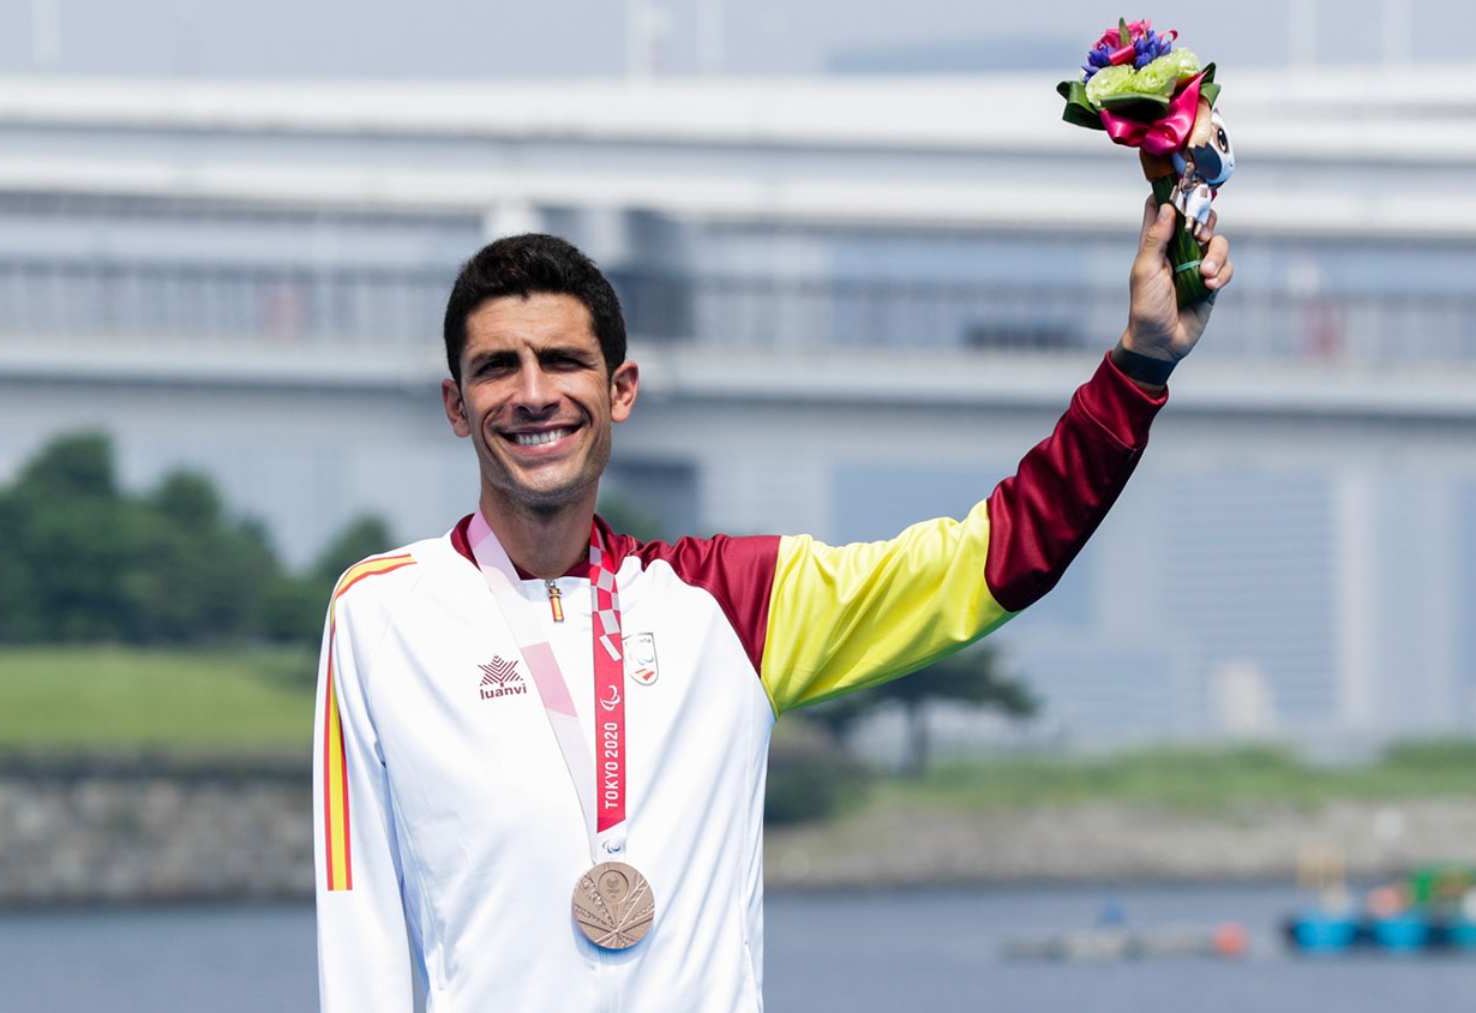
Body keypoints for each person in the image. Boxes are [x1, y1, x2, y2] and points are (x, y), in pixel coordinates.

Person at [313, 199, 1232, 1011]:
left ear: (620, 390)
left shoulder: (733, 604)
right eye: (496, 368)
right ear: (455, 403)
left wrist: (1139, 366)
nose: (533, 393)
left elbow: (997, 557)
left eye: (563, 361)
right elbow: (360, 925)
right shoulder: (381, 613)